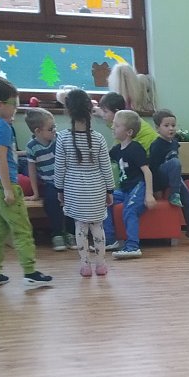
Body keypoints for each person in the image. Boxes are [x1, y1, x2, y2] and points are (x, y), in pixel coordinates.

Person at [0, 75, 53, 289]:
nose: (15, 109)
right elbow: (0, 159)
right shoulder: (2, 127)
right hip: (2, 184)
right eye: (14, 104)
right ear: (0, 104)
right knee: (22, 229)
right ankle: (30, 273)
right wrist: (8, 189)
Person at [53, 89, 114, 277]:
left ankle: (85, 265)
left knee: (80, 227)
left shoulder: (62, 138)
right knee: (97, 227)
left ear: (68, 111)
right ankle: (101, 264)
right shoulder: (99, 138)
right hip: (96, 188)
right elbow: (106, 168)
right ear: (90, 111)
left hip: (73, 188)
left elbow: (59, 168)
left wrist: (59, 189)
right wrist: (110, 190)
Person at [149, 109, 189, 245]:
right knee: (175, 162)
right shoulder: (156, 145)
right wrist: (156, 189)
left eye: (173, 125)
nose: (171, 128)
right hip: (161, 176)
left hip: (174, 177)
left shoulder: (174, 142)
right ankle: (174, 194)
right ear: (157, 128)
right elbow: (153, 169)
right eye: (166, 125)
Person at [103, 109, 155, 260]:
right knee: (103, 201)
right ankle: (110, 240)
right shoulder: (117, 149)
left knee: (130, 210)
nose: (113, 127)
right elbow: (102, 157)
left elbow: (147, 172)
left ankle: (132, 247)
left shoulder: (135, 148)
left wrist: (149, 195)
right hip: (124, 190)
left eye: (117, 125)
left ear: (129, 132)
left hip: (138, 187)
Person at [25, 108, 74, 252]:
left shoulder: (59, 139)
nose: (54, 130)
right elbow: (32, 170)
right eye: (50, 128)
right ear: (38, 131)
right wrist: (35, 193)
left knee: (72, 201)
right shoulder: (32, 147)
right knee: (52, 201)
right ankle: (57, 234)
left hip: (67, 181)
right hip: (50, 183)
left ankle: (71, 233)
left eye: (55, 127)